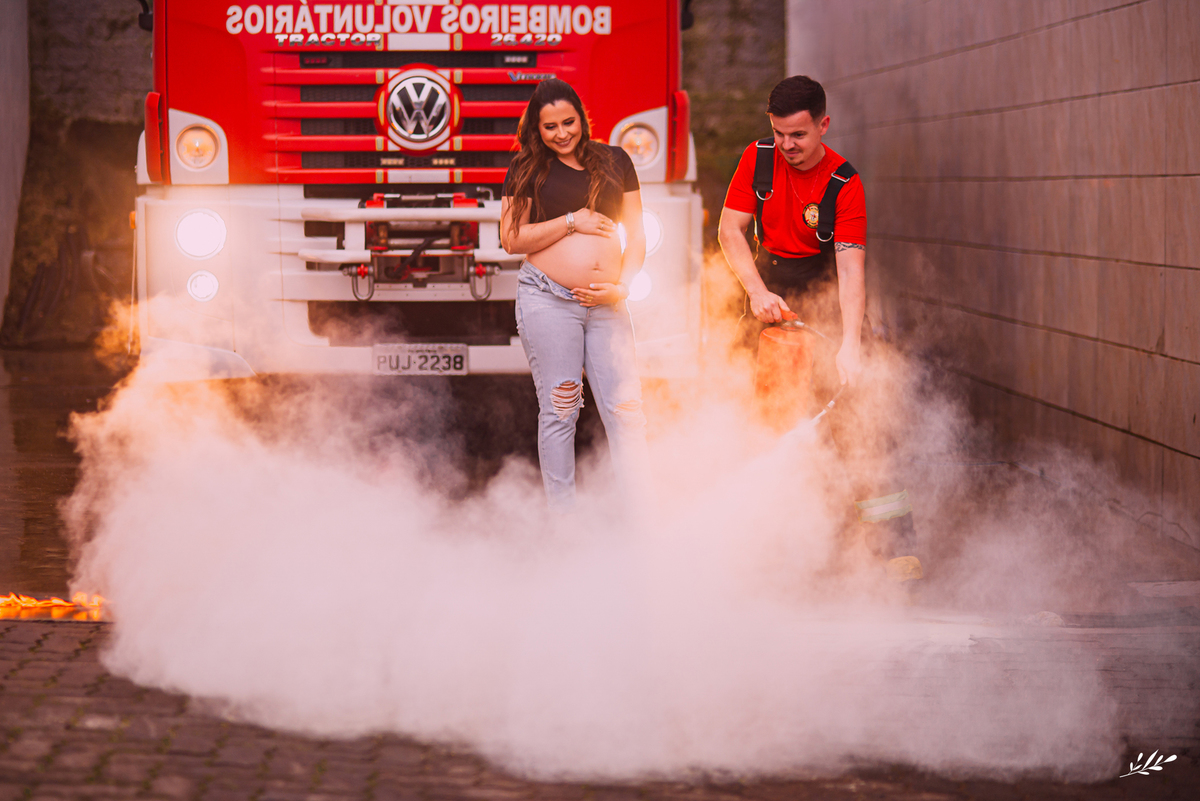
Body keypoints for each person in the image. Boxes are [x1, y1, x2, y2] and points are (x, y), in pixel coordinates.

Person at [718, 75, 921, 580]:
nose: (787, 146)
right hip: (770, 293)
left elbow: (850, 270)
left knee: (863, 425)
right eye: (779, 133)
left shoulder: (844, 184)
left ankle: (894, 550)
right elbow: (730, 230)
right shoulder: (757, 159)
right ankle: (763, 552)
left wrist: (850, 345)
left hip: (827, 295)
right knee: (762, 424)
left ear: (823, 125)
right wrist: (756, 291)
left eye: (799, 135)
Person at [500, 79, 648, 511]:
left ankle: (640, 515)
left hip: (609, 303)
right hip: (548, 298)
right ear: (536, 129)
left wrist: (622, 286)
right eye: (550, 127)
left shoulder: (616, 160)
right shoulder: (525, 169)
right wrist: (572, 221)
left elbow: (636, 236)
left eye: (569, 122)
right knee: (562, 408)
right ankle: (564, 525)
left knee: (627, 412)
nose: (562, 133)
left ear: (582, 118)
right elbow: (511, 239)